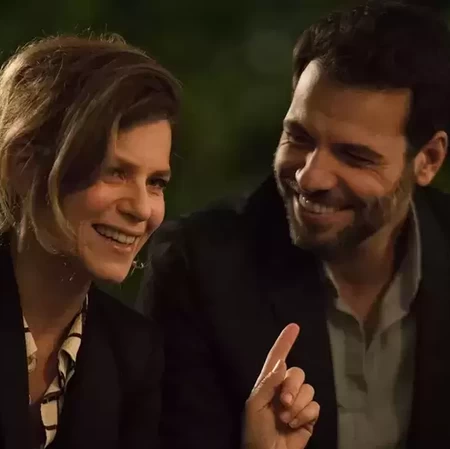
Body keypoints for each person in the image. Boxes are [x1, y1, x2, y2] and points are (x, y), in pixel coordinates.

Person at [137, 1, 450, 448]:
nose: (310, 177)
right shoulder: (199, 267)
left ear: (428, 160)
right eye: (298, 137)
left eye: (355, 156)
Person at [0, 34, 319, 449]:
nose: (142, 209)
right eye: (115, 172)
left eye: (156, 182)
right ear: (24, 166)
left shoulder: (133, 352)